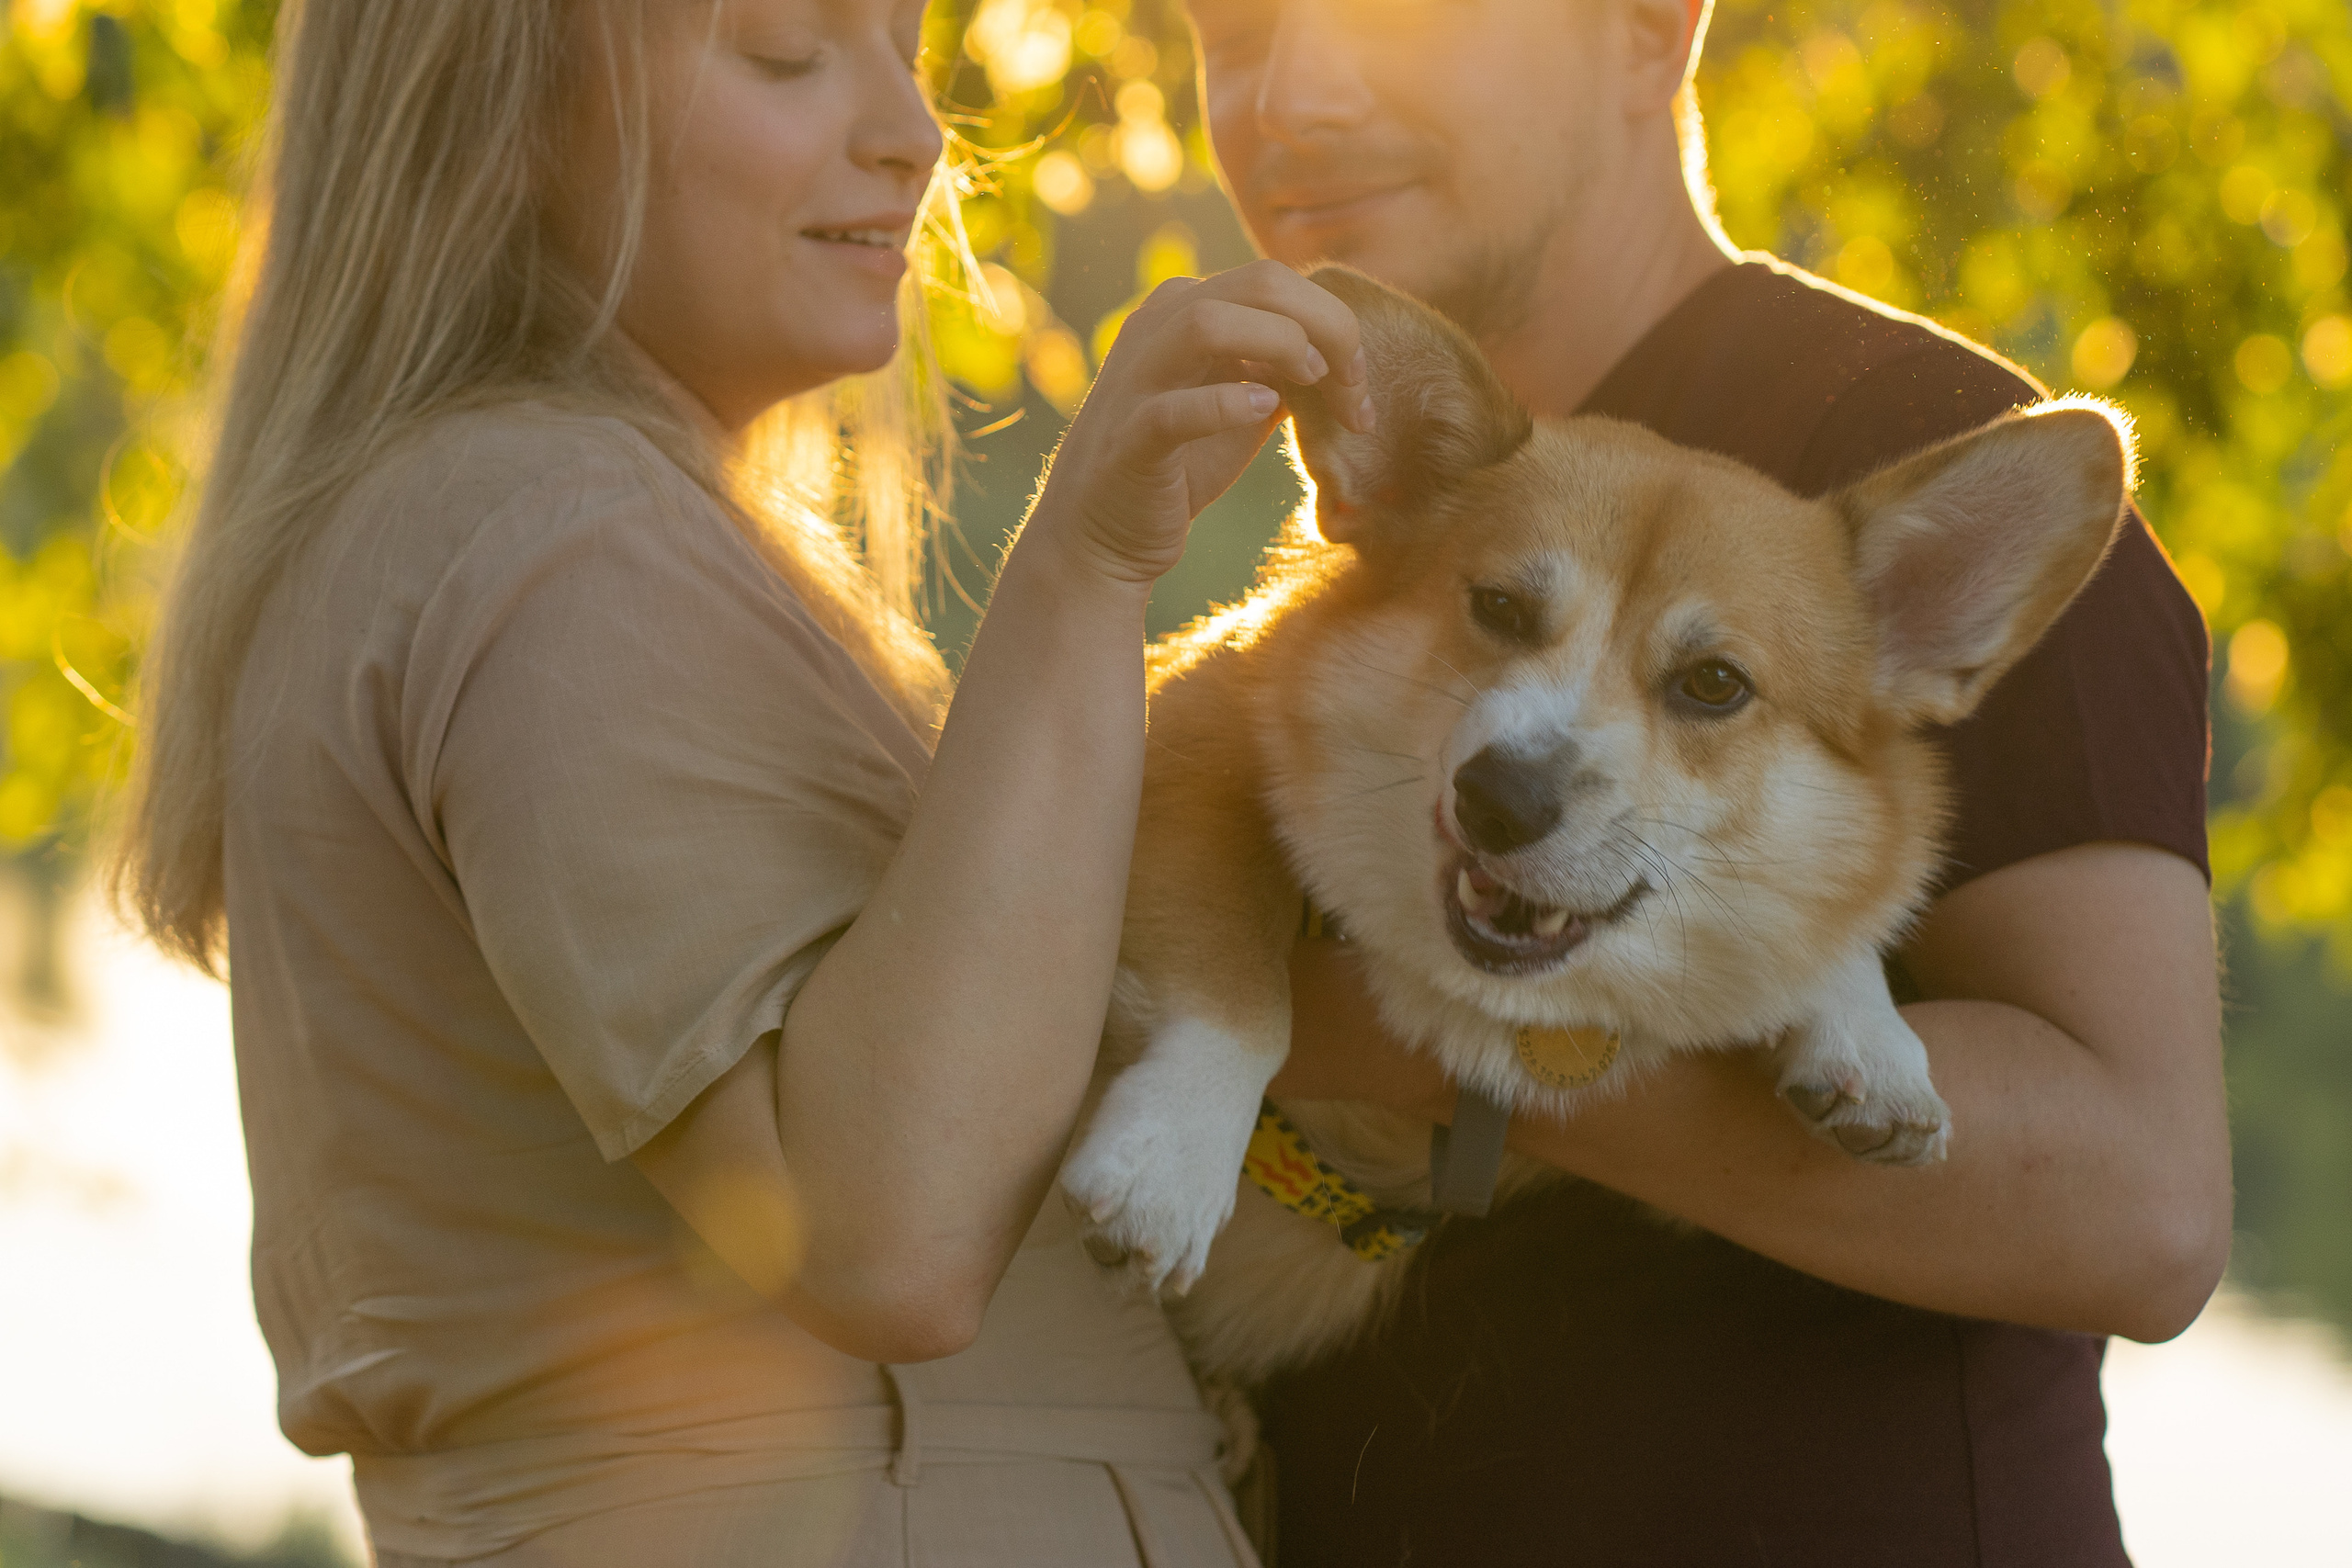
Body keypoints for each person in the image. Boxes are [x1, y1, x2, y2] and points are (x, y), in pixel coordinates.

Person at [111, 0, 1377, 1562]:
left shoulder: (518, 524)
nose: (913, 133)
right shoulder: (557, 537)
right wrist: (1087, 561)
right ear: (497, 111)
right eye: (788, 49)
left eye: (906, 48)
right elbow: (886, 1239)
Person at [1184, 0, 2231, 1560]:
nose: (1299, 89)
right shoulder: (1382, 519)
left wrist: (1409, 1043)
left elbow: (2139, 1208)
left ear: (1647, 29)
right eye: (1234, 24)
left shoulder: (1908, 456)